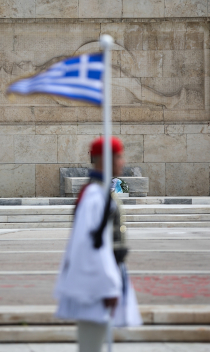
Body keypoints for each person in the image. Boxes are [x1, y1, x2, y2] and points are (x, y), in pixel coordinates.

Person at [54, 136, 141, 352]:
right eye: (119, 157)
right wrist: (108, 286)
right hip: (96, 283)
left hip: (102, 279)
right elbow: (92, 245)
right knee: (91, 345)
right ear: (106, 159)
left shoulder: (99, 192)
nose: (123, 162)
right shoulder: (95, 195)